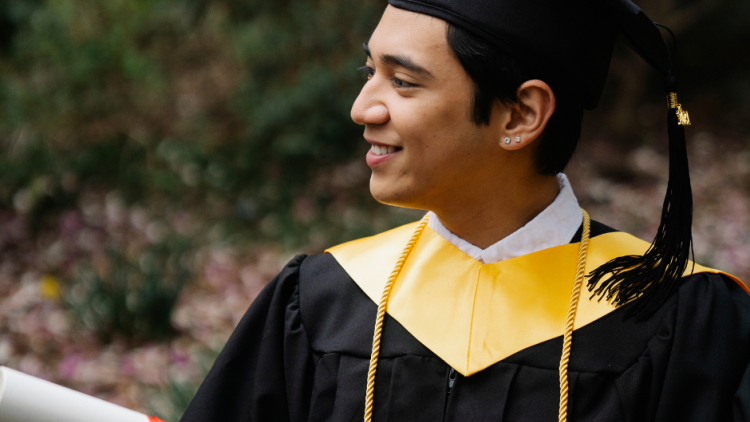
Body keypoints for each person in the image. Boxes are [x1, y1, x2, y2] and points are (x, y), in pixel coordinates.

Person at [180, 0, 750, 421]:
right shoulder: (321, 303)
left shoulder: (676, 321)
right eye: (368, 72)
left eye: (403, 82)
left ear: (520, 116)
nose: (361, 108)